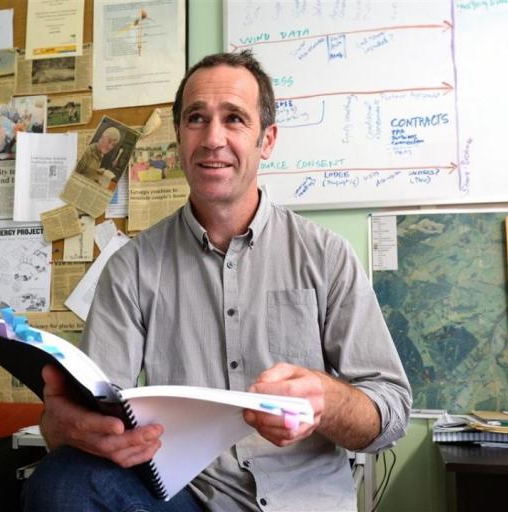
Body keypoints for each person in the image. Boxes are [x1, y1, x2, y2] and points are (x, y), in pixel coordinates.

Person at [23, 51, 411, 512]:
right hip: (186, 496)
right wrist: (64, 426)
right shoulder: (132, 267)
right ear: (178, 137)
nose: (213, 139)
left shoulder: (327, 256)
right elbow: (93, 413)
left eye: (234, 119)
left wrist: (326, 399)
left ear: (267, 139)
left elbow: (390, 413)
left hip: (303, 499)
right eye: (196, 119)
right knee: (61, 481)